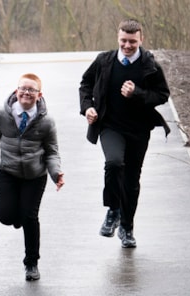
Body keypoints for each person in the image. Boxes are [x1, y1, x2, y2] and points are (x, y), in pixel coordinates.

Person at [79, 19, 170, 248]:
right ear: (117, 38)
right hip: (110, 126)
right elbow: (85, 85)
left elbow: (162, 94)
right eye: (123, 41)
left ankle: (127, 229)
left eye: (132, 41)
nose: (127, 46)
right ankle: (113, 211)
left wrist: (137, 93)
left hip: (139, 130)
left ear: (141, 39)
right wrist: (87, 108)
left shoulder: (149, 64)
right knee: (113, 163)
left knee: (131, 181)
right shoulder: (104, 61)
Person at [0, 73, 64, 281]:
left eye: (31, 90)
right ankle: (17, 216)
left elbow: (52, 151)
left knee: (30, 217)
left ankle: (31, 263)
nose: (26, 93)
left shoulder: (46, 121)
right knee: (6, 217)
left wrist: (56, 174)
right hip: (9, 173)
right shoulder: (2, 113)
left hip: (35, 176)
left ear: (39, 95)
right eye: (23, 88)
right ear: (16, 91)